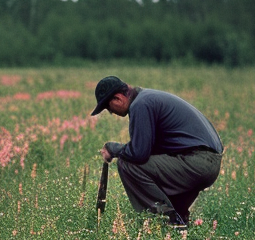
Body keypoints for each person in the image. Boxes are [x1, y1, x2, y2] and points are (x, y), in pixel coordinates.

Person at [91, 75, 223, 228]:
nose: (111, 113)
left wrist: (112, 149)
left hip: (198, 162)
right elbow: (151, 150)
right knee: (153, 162)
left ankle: (167, 221)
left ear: (118, 98)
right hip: (206, 162)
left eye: (108, 107)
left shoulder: (141, 104)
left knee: (127, 164)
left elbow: (138, 153)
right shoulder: (148, 98)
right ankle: (179, 220)